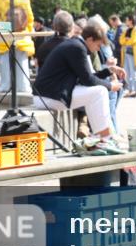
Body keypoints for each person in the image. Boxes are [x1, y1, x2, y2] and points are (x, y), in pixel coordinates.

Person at [33, 22, 126, 154]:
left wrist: (109, 71)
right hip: (48, 97)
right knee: (100, 92)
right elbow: (88, 80)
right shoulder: (77, 47)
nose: (98, 49)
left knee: (98, 92)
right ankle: (105, 138)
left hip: (49, 95)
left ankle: (102, 137)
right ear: (90, 39)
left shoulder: (76, 45)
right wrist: (111, 86)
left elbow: (87, 77)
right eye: (98, 45)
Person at [0, 0, 34, 94]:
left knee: (4, 63)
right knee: (22, 63)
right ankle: (24, 87)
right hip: (22, 37)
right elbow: (30, 19)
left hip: (5, 37)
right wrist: (26, 33)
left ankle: (5, 86)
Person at [119, 14, 136, 97]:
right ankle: (129, 89)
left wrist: (126, 41)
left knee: (133, 72)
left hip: (133, 53)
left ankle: (135, 90)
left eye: (127, 20)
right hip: (126, 53)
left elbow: (133, 40)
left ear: (131, 20)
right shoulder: (127, 30)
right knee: (127, 72)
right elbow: (121, 40)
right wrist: (126, 40)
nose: (126, 21)